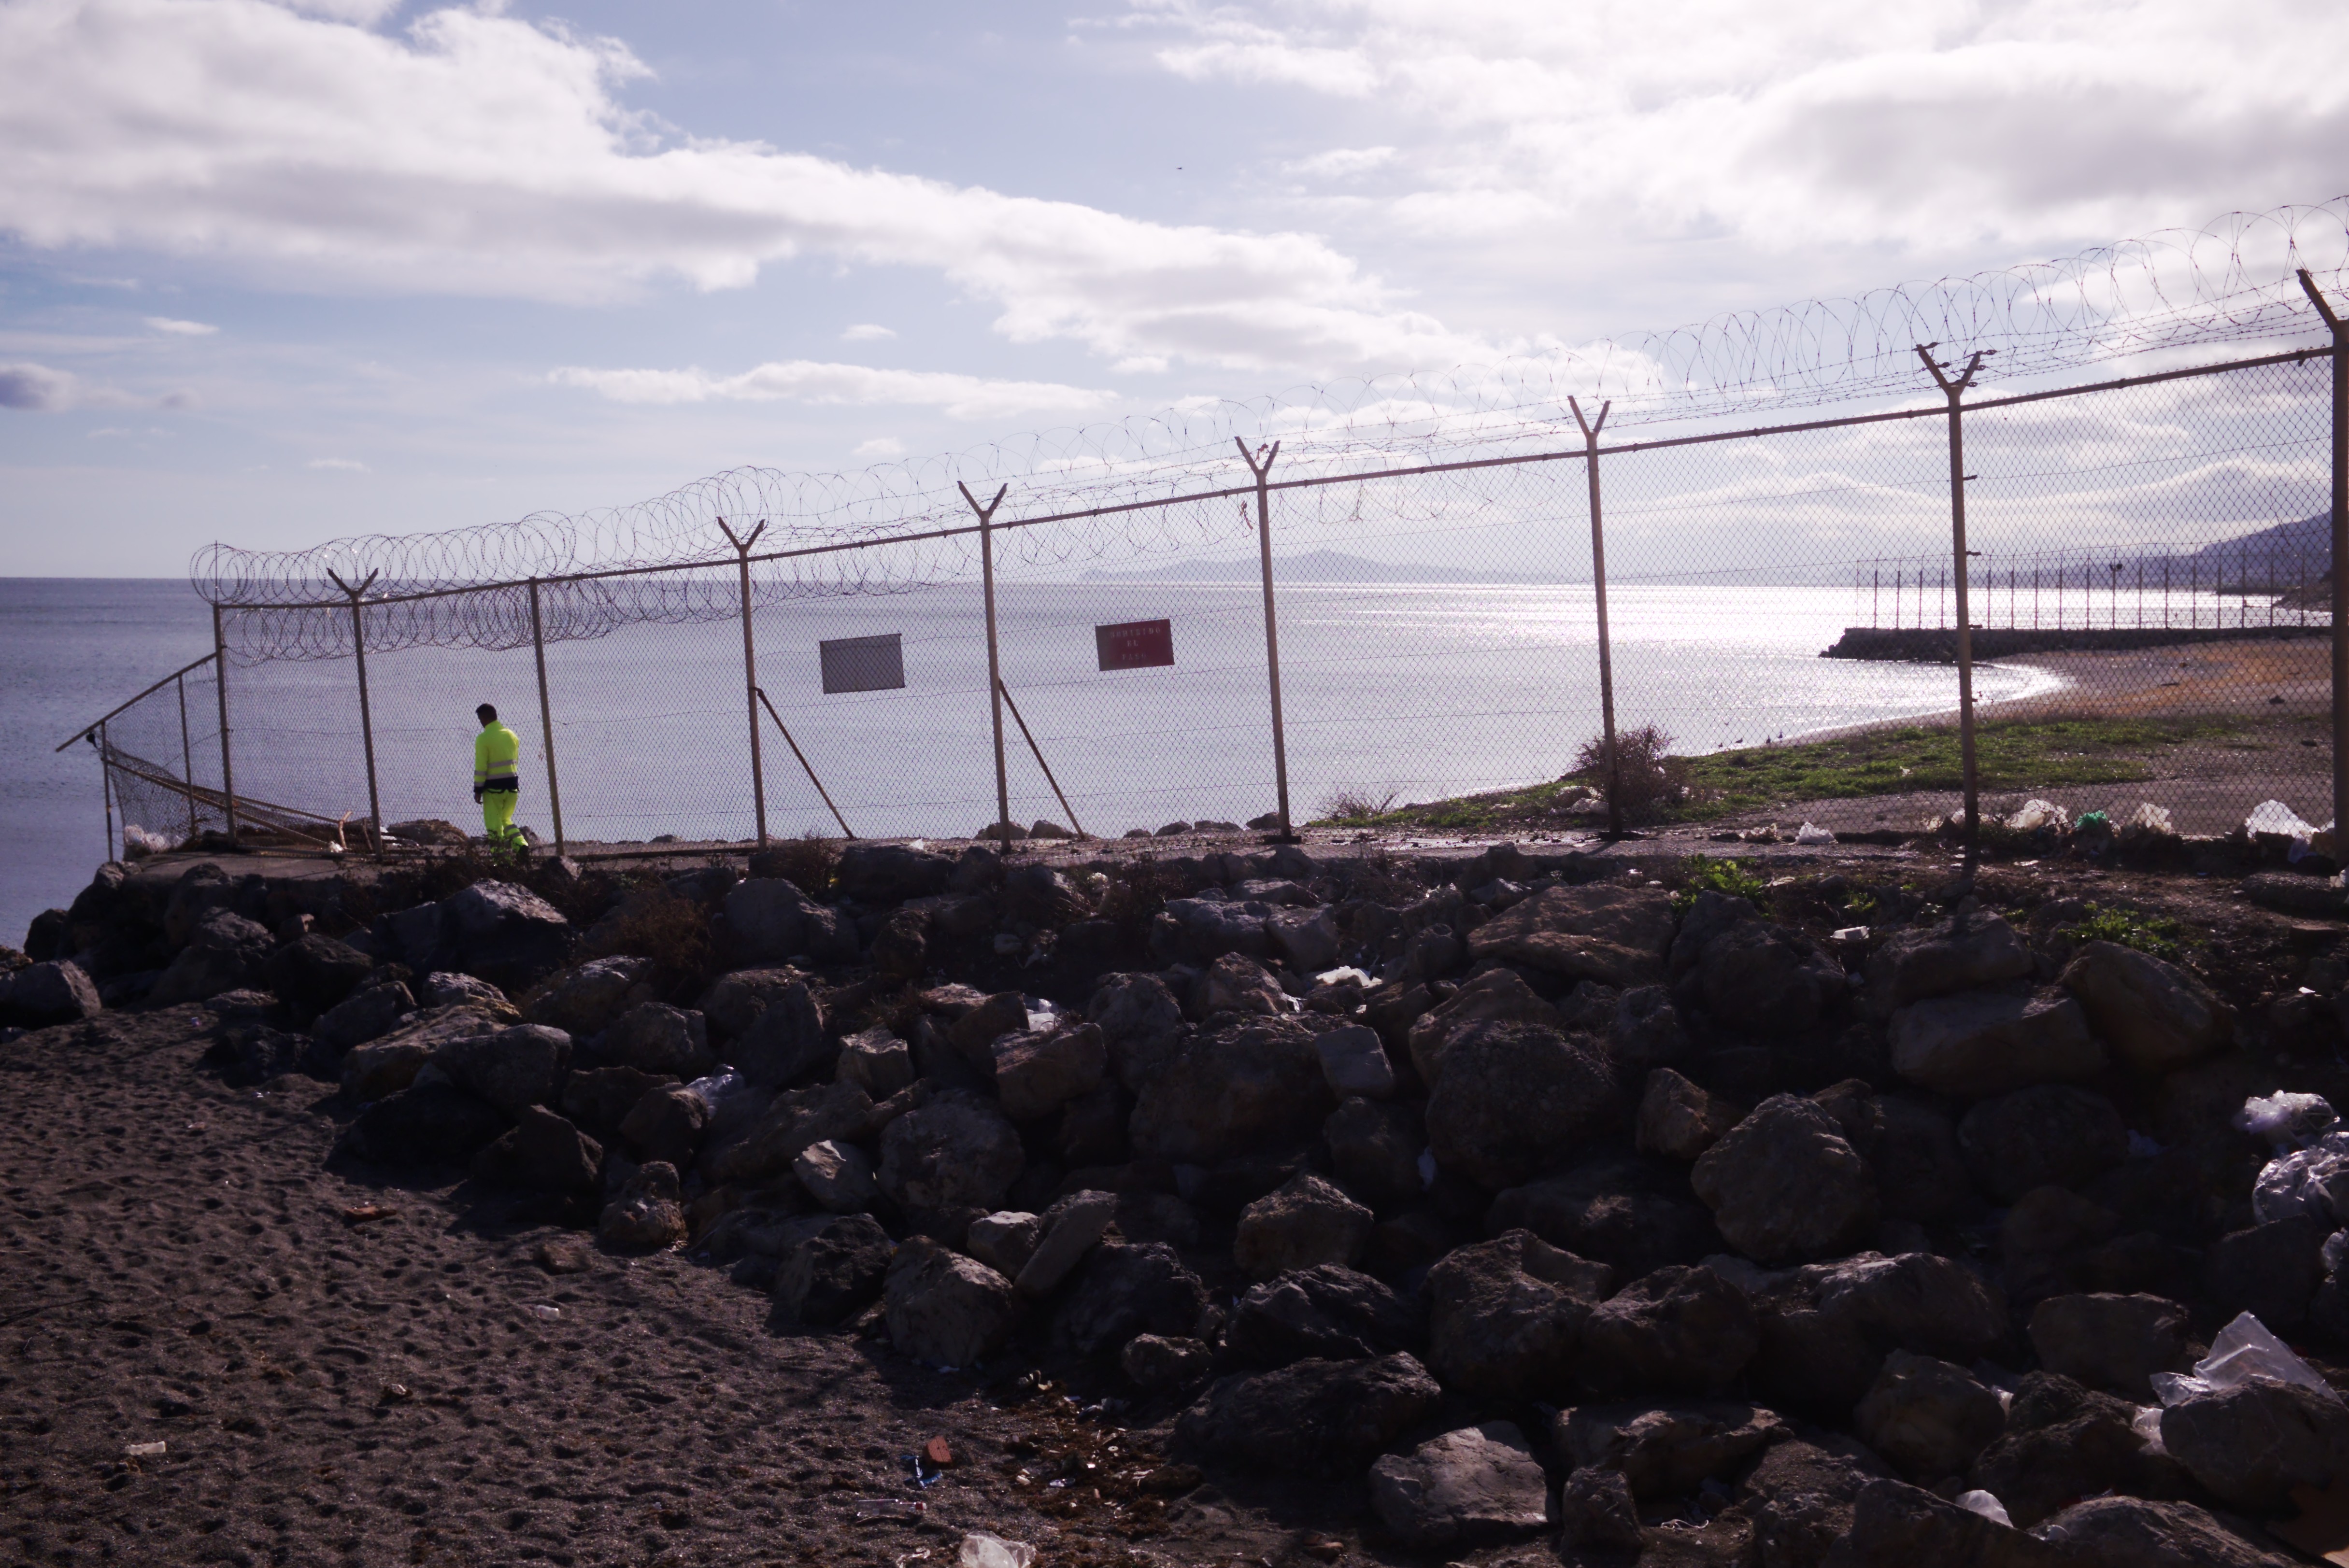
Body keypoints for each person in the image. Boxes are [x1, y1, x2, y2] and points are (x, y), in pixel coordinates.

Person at [472, 703, 524, 851]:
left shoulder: (483, 739)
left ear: (484, 718)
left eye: (480, 720)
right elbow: (515, 761)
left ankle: (501, 859)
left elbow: (481, 767)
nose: (481, 723)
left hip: (493, 789)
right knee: (506, 820)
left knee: (494, 827)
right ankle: (521, 845)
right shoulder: (511, 735)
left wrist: (478, 790)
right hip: (512, 787)